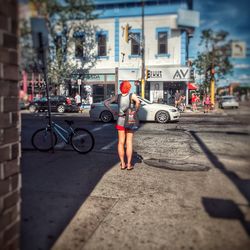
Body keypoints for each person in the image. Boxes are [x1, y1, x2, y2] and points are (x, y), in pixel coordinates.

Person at [104, 80, 140, 170]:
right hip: (130, 119)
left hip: (120, 119)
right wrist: (135, 110)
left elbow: (106, 103)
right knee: (129, 142)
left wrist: (113, 112)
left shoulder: (118, 96)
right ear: (129, 88)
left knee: (120, 142)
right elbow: (138, 102)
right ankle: (128, 164)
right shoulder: (132, 95)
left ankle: (122, 164)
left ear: (121, 88)